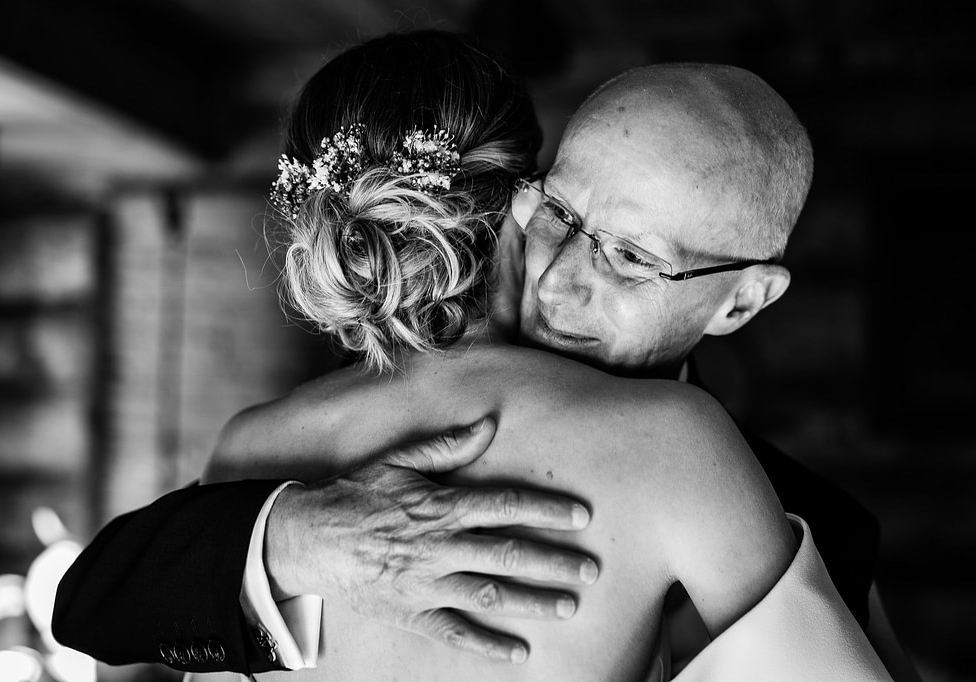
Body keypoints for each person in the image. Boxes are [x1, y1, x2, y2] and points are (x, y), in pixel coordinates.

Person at [51, 29, 912, 680]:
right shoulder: (259, 471)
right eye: (560, 217)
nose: (562, 283)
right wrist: (288, 537)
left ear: (743, 300)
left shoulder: (814, 524)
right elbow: (97, 606)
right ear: (516, 199)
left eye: (630, 257)